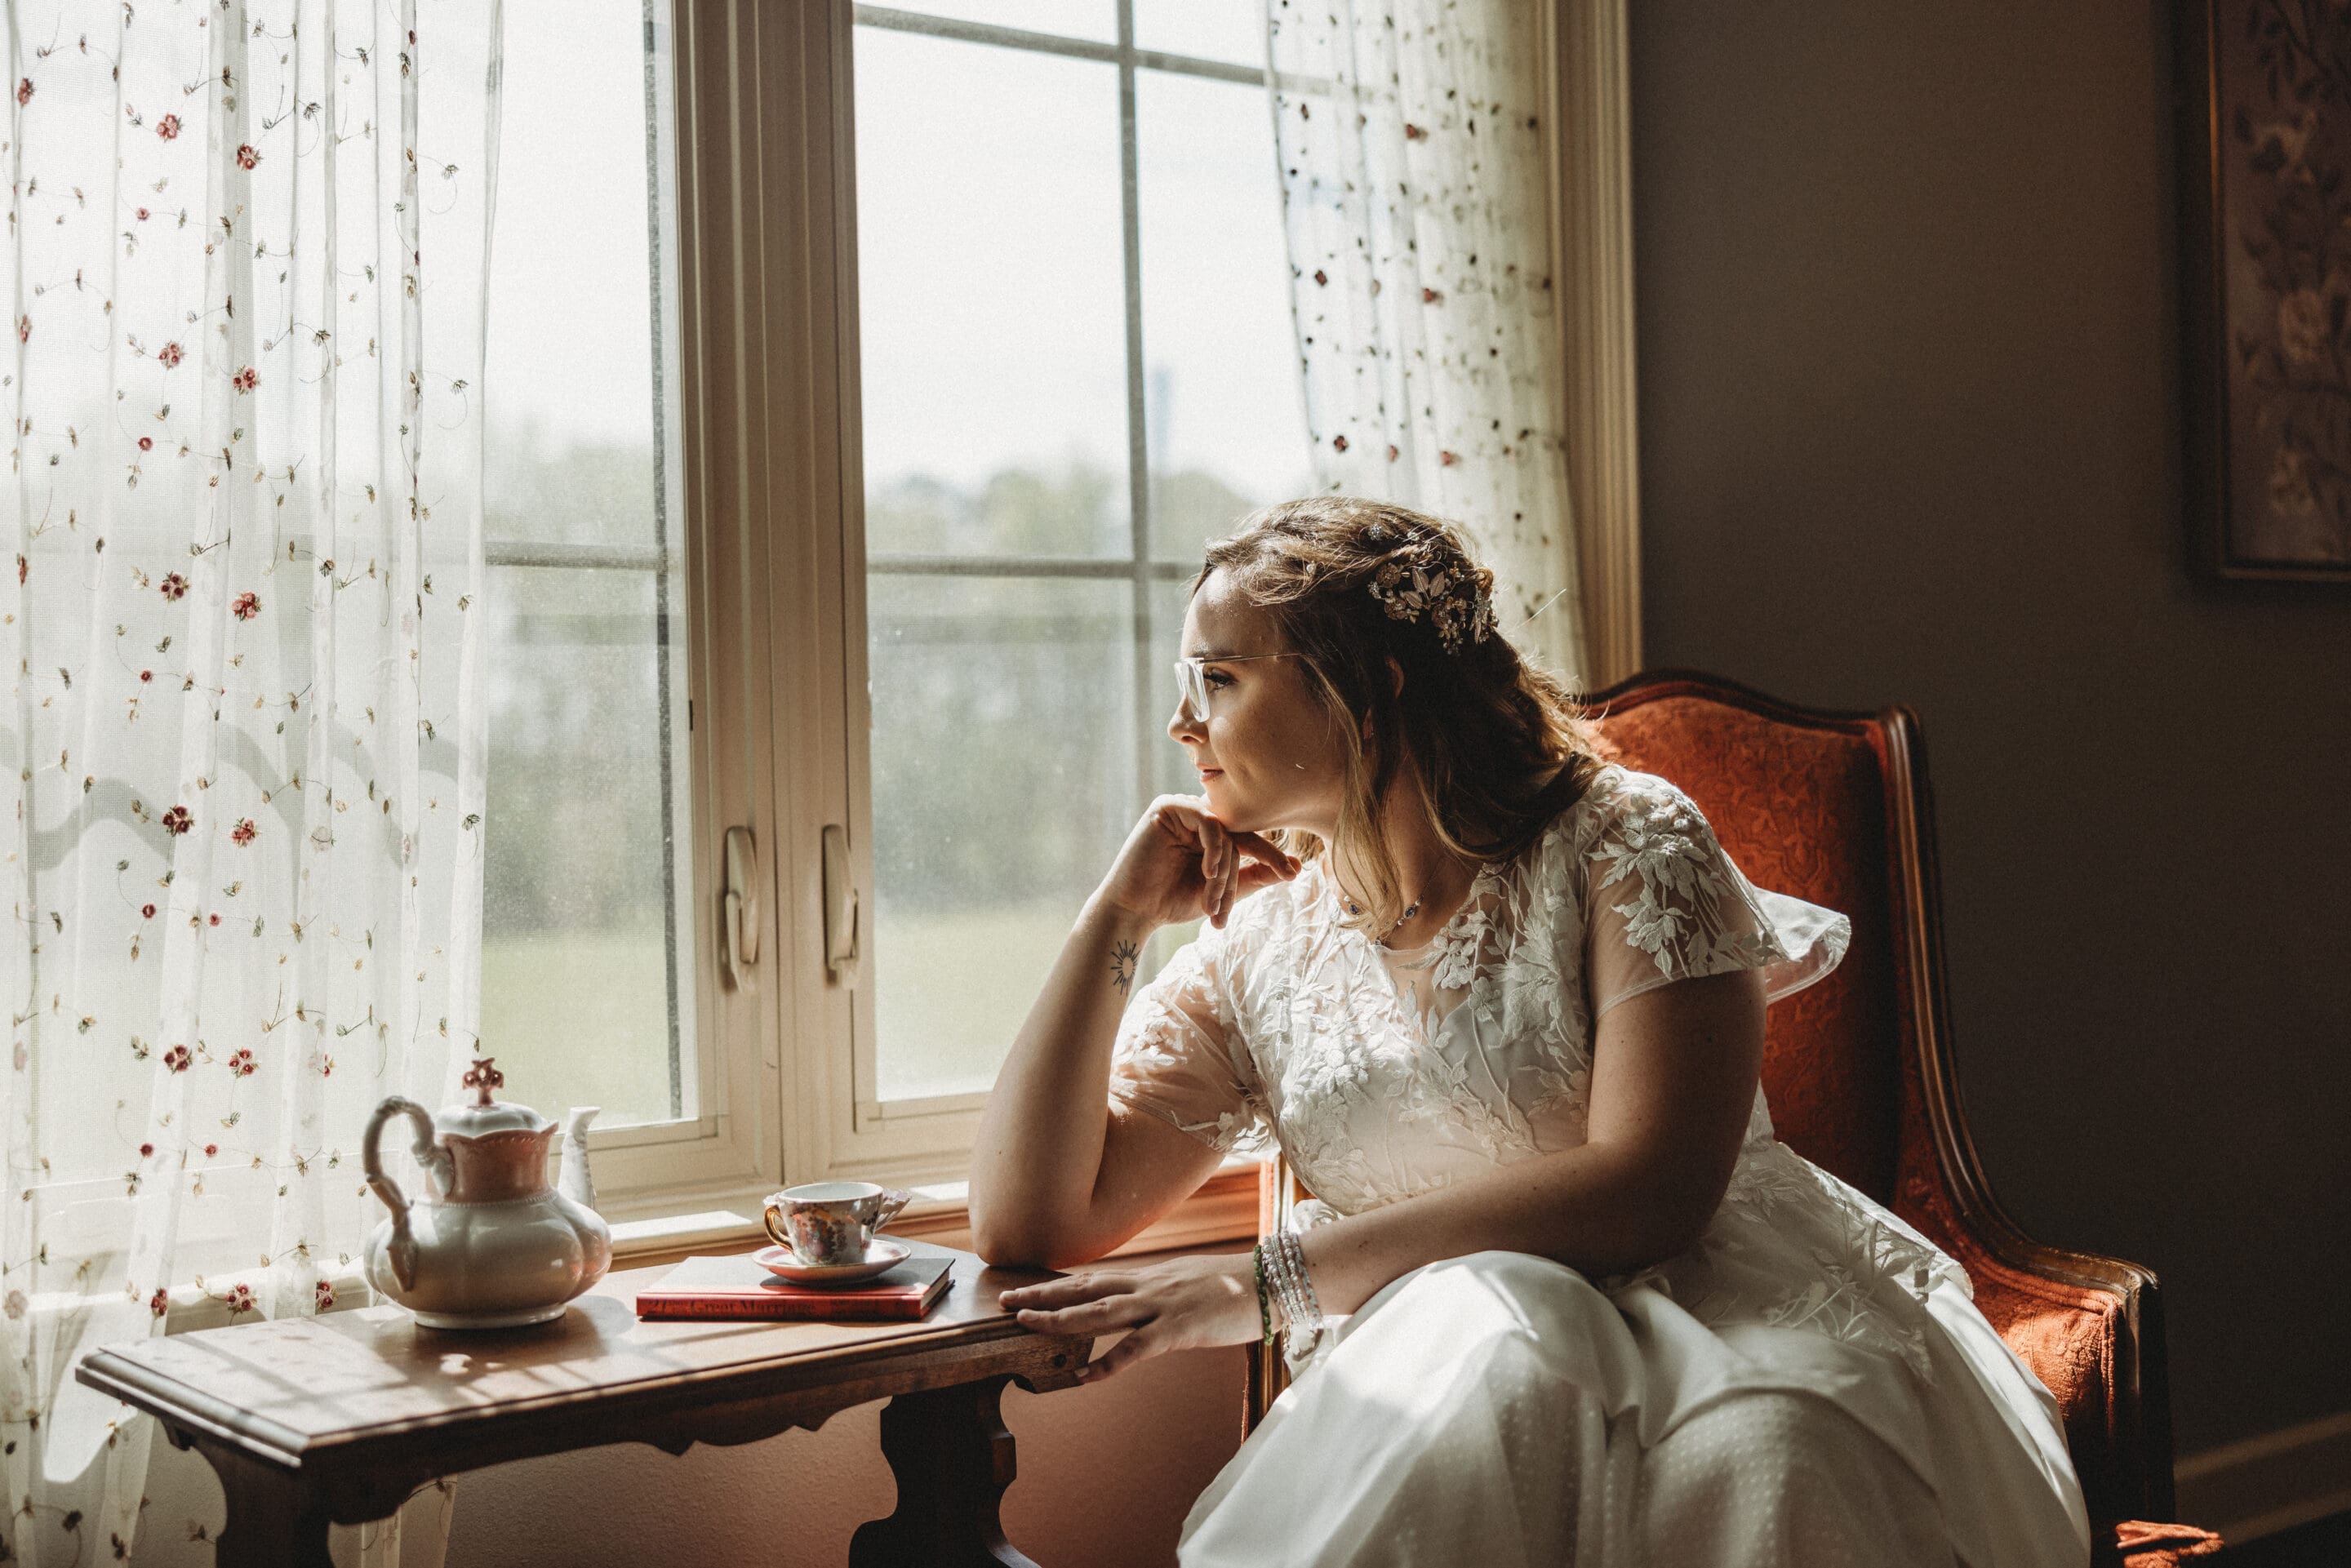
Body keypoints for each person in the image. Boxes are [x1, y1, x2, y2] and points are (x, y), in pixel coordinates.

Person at [969, 496, 2091, 1567]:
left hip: (1719, 1320)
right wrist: (1109, 917)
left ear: (1370, 689)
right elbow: (1032, 1212)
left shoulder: (1628, 842)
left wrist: (1265, 1283)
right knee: (1487, 1347)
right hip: (1460, 1384)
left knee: (1760, 1455)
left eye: (1215, 678)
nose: (1181, 721)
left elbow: (1654, 1185)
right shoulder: (1265, 948)